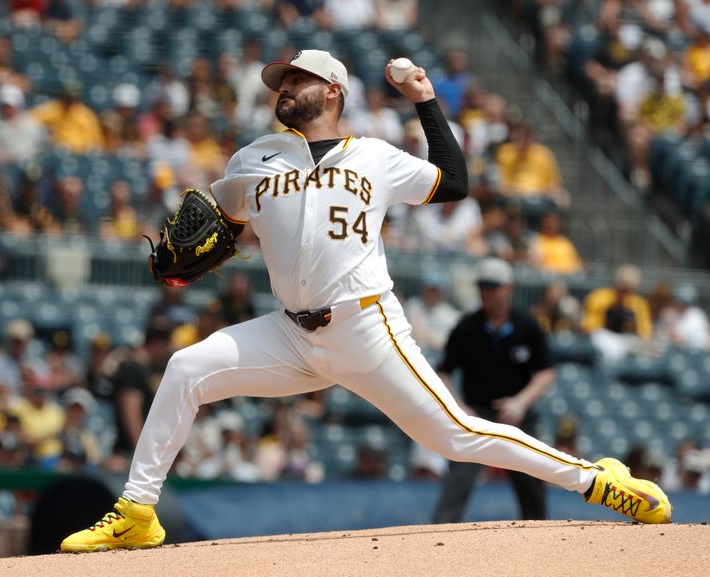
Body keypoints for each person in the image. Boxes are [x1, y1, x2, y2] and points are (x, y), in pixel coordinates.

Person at [61, 49, 670, 553]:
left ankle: (596, 480)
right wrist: (192, 255)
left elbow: (452, 183)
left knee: (455, 435)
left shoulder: (374, 158)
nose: (283, 87)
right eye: (280, 81)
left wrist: (424, 97)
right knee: (186, 368)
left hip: (366, 328)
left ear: (331, 91)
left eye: (296, 79)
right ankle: (137, 512)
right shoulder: (251, 160)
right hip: (292, 335)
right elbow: (227, 230)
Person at [431, 258, 556, 523]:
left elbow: (546, 373)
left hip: (518, 415)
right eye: (482, 286)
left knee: (533, 473)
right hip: (476, 414)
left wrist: (520, 403)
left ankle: (540, 534)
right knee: (459, 477)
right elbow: (442, 371)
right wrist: (459, 408)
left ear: (508, 288)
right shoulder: (466, 327)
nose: (485, 292)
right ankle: (439, 535)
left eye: (492, 286)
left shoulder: (527, 325)